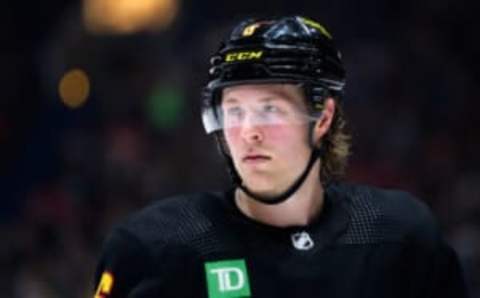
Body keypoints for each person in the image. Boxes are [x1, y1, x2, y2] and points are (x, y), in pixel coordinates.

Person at [93, 15, 467, 298]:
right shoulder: (155, 247)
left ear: (323, 118)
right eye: (235, 111)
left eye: (269, 109)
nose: (247, 131)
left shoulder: (400, 236)